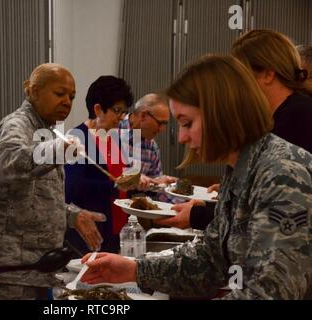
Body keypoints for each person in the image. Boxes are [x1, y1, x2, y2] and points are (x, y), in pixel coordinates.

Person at [81, 55, 311, 300]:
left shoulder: (281, 173)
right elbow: (210, 261)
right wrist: (134, 270)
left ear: (222, 114)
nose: (181, 138)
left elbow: (269, 293)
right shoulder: (241, 170)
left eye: (187, 123)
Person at [0, 63, 105, 299]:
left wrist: (72, 215)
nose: (67, 102)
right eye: (59, 94)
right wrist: (56, 151)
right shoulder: (17, 124)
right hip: (6, 275)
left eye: (71, 97)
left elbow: (34, 198)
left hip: (33, 272)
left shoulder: (46, 131)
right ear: (32, 91)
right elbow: (10, 162)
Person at [161, 29, 312, 231]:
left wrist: (200, 214)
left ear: (268, 73)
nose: (236, 87)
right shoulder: (281, 118)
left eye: (242, 76)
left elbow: (265, 224)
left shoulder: (295, 119)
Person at [64, 75, 134, 255]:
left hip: (116, 229)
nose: (121, 117)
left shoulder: (113, 136)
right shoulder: (77, 138)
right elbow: (73, 187)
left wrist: (142, 181)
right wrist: (116, 185)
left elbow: (122, 174)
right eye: (117, 110)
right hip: (90, 233)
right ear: (98, 109)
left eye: (124, 111)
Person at [119, 93, 176, 191]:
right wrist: (134, 178)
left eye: (165, 124)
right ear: (143, 115)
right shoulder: (113, 130)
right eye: (160, 123)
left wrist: (184, 201)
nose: (162, 129)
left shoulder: (152, 147)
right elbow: (107, 178)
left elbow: (157, 190)